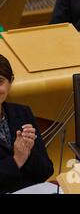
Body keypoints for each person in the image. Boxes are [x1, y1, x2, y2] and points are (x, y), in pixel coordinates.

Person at [0, 54, 54, 193]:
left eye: (0, 81)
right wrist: (17, 160)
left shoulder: (23, 113)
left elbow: (46, 171)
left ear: (11, 82)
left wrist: (29, 153)